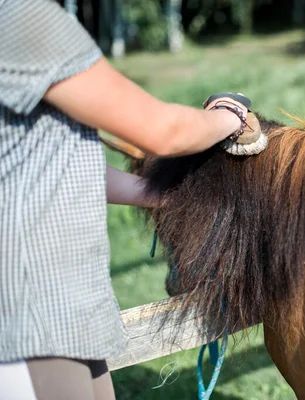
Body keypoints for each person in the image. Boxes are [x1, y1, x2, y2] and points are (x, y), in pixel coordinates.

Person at [0, 1, 249, 399]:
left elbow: (42, 162)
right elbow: (162, 131)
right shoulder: (22, 16)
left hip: (57, 305)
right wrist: (231, 113)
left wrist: (165, 197)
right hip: (30, 310)